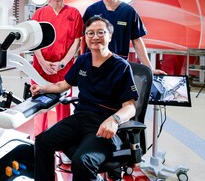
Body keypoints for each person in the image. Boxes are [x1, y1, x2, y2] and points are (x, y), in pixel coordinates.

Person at [31, 16, 138, 181]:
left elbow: (130, 107)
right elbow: (64, 85)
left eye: (100, 33)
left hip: (104, 125)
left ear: (110, 36)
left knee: (82, 161)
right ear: (86, 38)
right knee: (42, 141)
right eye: (90, 33)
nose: (95, 37)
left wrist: (115, 120)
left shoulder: (121, 67)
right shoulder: (83, 61)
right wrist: (43, 88)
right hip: (81, 118)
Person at [82, 0, 166, 75]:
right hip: (93, 64)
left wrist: (149, 69)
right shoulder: (91, 10)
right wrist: (82, 60)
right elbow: (83, 38)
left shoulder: (128, 11)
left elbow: (137, 41)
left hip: (118, 66)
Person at [30, 0, 83, 139]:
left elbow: (76, 41)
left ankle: (64, 146)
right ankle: (38, 141)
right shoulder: (39, 14)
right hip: (40, 69)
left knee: (63, 108)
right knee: (39, 108)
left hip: (64, 70)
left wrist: (62, 63)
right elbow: (34, 42)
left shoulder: (74, 14)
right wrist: (43, 62)